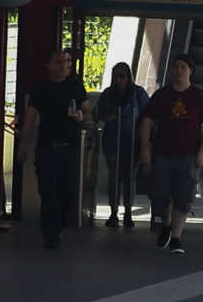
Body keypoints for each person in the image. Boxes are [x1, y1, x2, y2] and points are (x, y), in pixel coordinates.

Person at [138, 53, 203, 255]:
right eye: (176, 67)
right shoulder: (162, 95)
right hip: (163, 153)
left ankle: (177, 237)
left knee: (184, 195)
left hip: (189, 154)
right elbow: (147, 121)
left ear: (190, 71)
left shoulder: (199, 96)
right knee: (160, 194)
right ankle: (167, 224)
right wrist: (145, 148)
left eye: (183, 67)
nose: (179, 71)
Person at [22, 48, 88, 251]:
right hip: (47, 148)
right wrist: (23, 147)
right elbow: (30, 119)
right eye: (59, 62)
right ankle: (50, 234)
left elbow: (87, 112)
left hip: (69, 148)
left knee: (67, 192)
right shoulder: (40, 88)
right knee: (48, 192)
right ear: (49, 65)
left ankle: (58, 227)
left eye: (67, 61)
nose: (64, 65)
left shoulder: (76, 86)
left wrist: (80, 116)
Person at [94, 61, 147, 228]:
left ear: (128, 77)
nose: (119, 80)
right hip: (112, 142)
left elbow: (149, 114)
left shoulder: (138, 93)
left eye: (122, 77)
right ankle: (113, 212)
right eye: (116, 76)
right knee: (114, 178)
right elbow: (97, 114)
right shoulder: (108, 94)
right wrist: (106, 115)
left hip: (133, 143)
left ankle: (129, 212)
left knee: (130, 179)